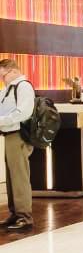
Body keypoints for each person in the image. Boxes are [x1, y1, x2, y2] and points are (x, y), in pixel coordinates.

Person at [0, 57, 36, 232]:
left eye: (3, 76)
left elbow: (23, 112)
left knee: (19, 176)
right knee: (11, 176)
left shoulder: (24, 87)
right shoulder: (8, 89)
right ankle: (15, 213)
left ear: (13, 71)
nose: (2, 79)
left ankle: (25, 217)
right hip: (9, 135)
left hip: (18, 135)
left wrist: (1, 121)